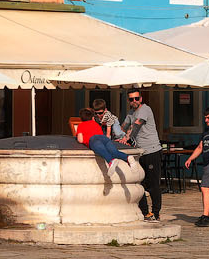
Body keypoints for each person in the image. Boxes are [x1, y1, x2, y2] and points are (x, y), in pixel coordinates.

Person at [120, 89, 164, 222]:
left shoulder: (145, 109)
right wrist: (116, 135)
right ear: (128, 100)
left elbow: (136, 125)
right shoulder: (131, 112)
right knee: (139, 183)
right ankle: (145, 212)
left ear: (141, 98)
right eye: (131, 99)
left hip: (152, 151)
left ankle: (156, 212)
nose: (134, 101)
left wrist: (125, 138)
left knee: (153, 184)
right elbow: (124, 126)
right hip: (140, 152)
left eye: (136, 98)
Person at [70, 108, 137, 169]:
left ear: (81, 118)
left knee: (103, 151)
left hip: (93, 139)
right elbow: (101, 134)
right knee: (114, 152)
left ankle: (111, 161)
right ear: (92, 118)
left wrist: (77, 138)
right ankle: (128, 157)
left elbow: (80, 140)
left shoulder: (81, 125)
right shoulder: (96, 124)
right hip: (104, 138)